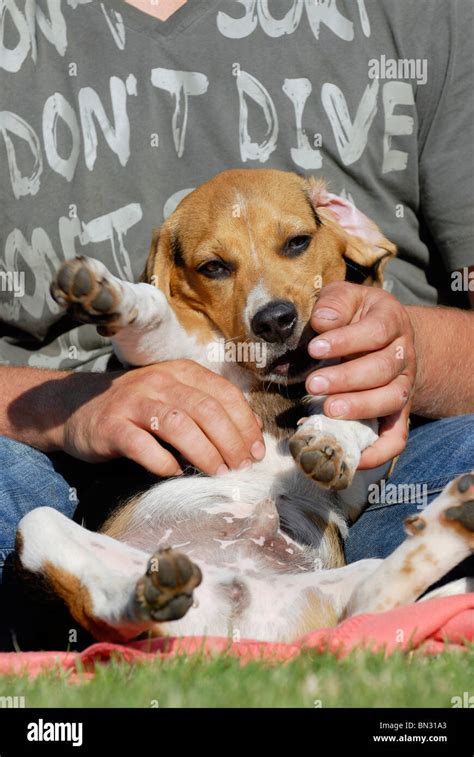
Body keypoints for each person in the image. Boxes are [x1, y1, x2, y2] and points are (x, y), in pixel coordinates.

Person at [0, 0, 473, 638]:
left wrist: (411, 352)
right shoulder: (188, 323)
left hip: (373, 485)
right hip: (79, 481)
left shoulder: (428, 18)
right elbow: (162, 330)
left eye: (297, 244)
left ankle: (390, 588)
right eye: (216, 269)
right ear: (168, 277)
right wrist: (65, 404)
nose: (269, 305)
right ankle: (402, 613)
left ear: (338, 225)